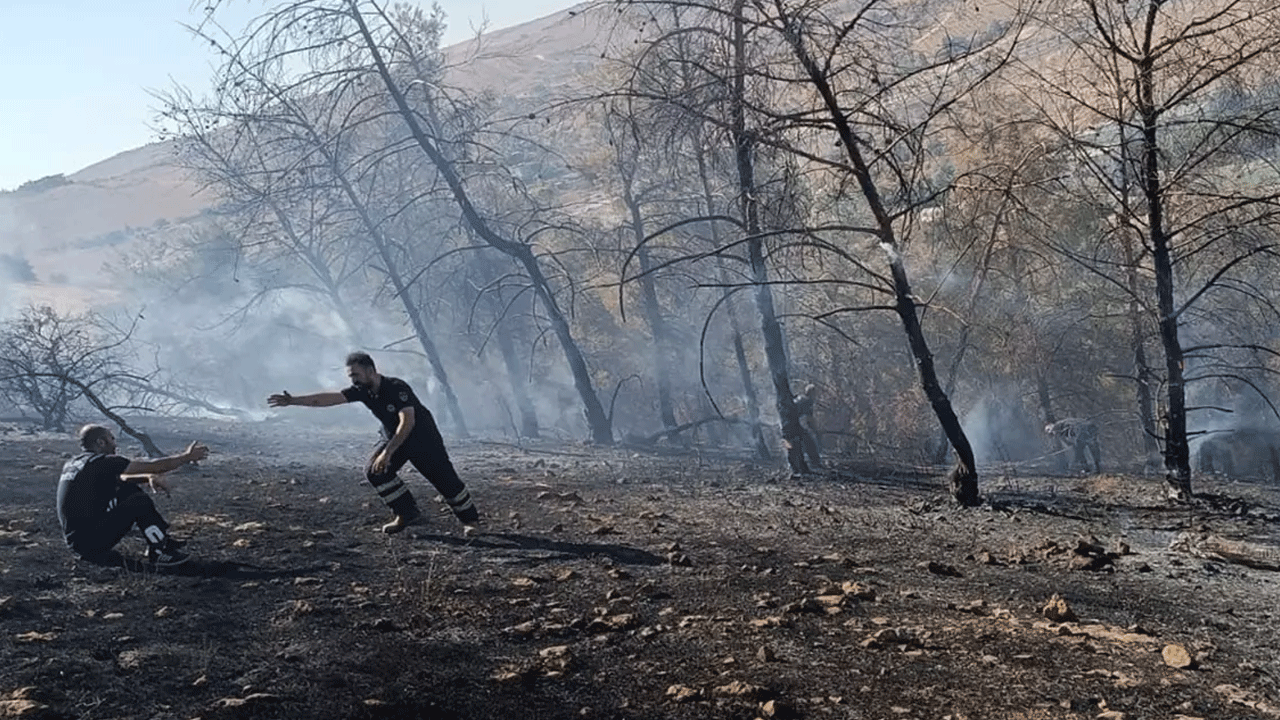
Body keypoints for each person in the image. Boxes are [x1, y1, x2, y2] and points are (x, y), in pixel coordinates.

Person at [267, 351, 480, 534]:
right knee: (375, 471)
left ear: (370, 371)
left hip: (422, 438)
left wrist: (387, 452)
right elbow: (328, 399)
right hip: (393, 437)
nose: (353, 380)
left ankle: (470, 521)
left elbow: (407, 422)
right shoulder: (362, 390)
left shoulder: (396, 387)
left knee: (444, 479)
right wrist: (293, 401)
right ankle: (407, 514)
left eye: (356, 375)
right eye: (351, 376)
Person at [57, 424, 210, 568]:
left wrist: (147, 477)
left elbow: (120, 480)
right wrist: (186, 457)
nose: (115, 444)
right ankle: (159, 552)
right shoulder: (104, 461)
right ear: (101, 442)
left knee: (128, 489)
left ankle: (161, 540)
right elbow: (155, 466)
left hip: (77, 543)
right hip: (91, 543)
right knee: (138, 501)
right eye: (112, 439)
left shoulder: (76, 463)